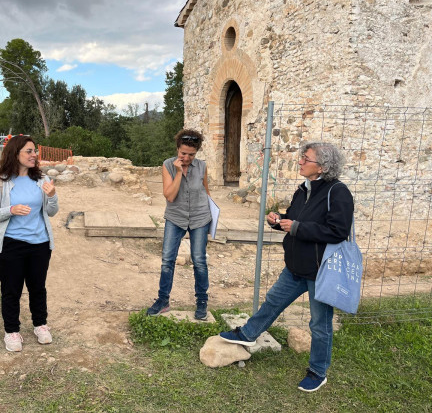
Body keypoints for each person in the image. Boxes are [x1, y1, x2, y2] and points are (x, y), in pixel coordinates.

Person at [220, 142, 354, 392]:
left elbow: (338, 231)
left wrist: (296, 227)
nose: (300, 162)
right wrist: (278, 220)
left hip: (320, 272)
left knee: (319, 324)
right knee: (272, 301)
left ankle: (318, 371)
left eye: (306, 158)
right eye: (302, 157)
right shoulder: (303, 190)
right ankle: (248, 334)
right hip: (295, 266)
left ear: (323, 167)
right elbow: (294, 219)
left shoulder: (338, 192)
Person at [0, 135, 59, 352]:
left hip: (40, 244)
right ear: (15, 153)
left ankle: (40, 325)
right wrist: (11, 210)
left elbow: (52, 212)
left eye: (34, 151)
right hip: (11, 245)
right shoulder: (1, 182)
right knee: (11, 290)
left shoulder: (42, 180)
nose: (34, 155)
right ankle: (11, 331)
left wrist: (53, 196)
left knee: (38, 288)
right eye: (28, 151)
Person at [146, 129, 212, 320]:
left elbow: (206, 192)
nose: (186, 157)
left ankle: (201, 302)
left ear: (196, 153)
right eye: (183, 153)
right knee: (167, 260)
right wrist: (177, 171)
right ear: (177, 149)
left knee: (199, 260)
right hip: (176, 217)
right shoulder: (167, 165)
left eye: (191, 154)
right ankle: (163, 300)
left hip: (200, 216)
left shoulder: (202, 166)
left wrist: (212, 218)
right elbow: (170, 195)